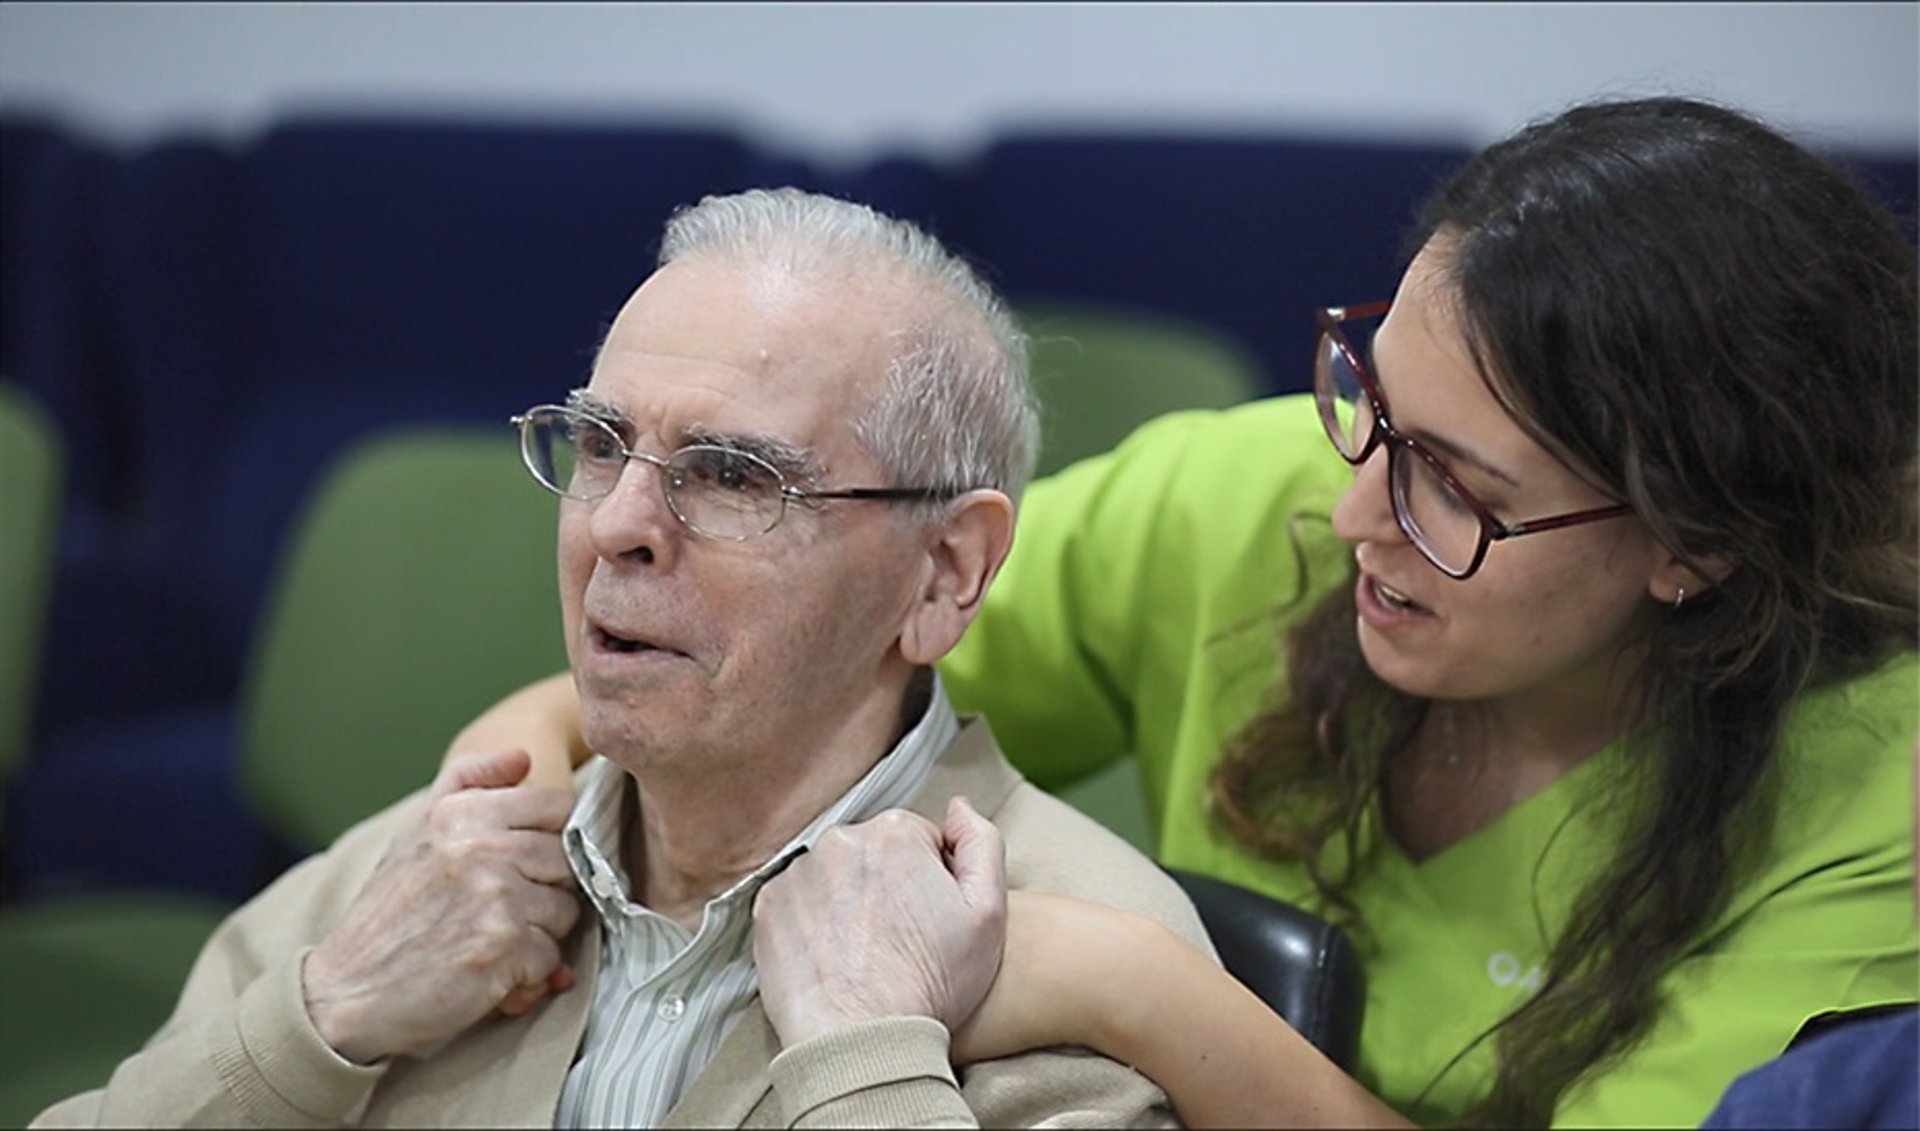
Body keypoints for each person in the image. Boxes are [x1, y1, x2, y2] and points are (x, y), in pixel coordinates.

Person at [452, 95, 1920, 1127]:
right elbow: (792, 648)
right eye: (1374, 404)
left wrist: (1138, 986)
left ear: (1701, 546)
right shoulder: (1250, 492)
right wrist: (512, 764)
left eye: (1458, 488)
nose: (1352, 513)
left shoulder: (1878, 796)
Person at [31, 187, 1215, 1128]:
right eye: (600, 446)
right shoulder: (435, 879)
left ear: (945, 572)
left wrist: (868, 1060)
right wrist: (326, 1013)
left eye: (735, 476)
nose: (614, 527)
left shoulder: (1069, 965)